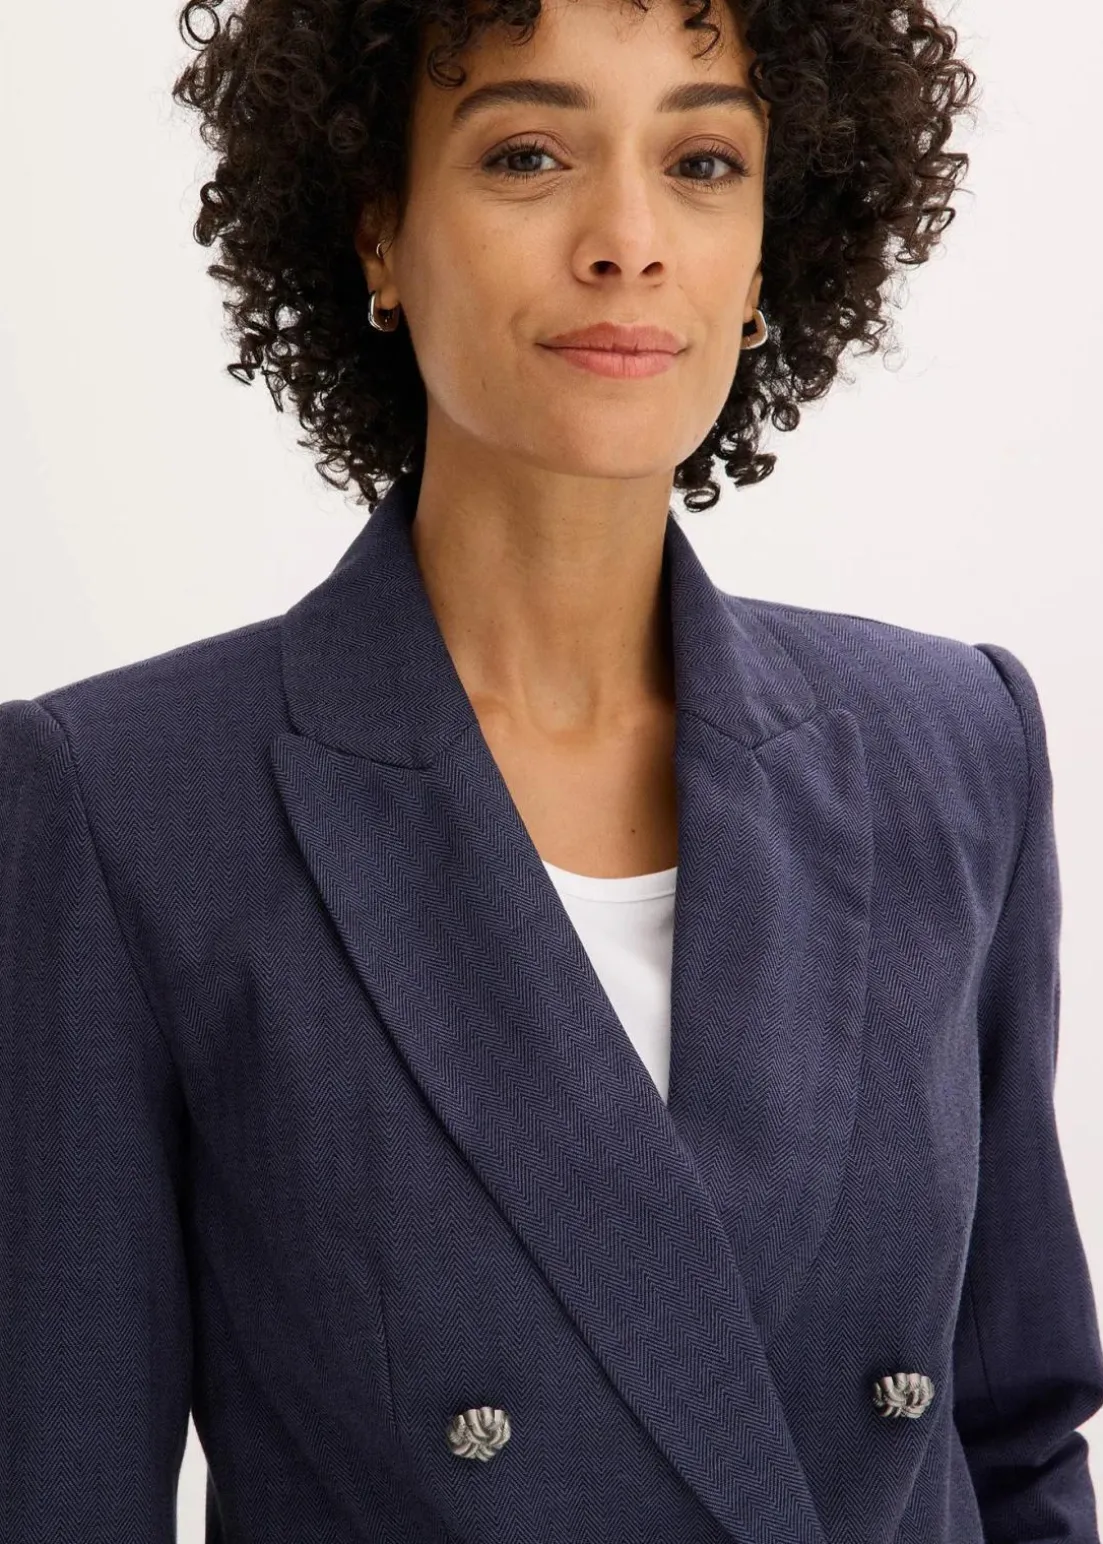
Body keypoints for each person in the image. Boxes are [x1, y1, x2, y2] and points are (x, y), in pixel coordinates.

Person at [2, 0, 1102, 1538]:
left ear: (767, 254)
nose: (626, 242)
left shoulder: (951, 745)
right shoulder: (126, 806)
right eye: (528, 153)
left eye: (702, 163)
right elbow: (59, 1489)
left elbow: (1015, 1440)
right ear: (378, 231)